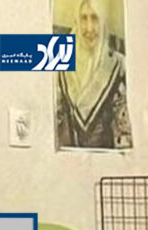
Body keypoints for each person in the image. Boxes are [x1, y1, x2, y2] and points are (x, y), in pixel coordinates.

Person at [56, 0, 132, 149]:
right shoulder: (60, 66)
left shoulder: (118, 66)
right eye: (84, 18)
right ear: (77, 22)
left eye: (95, 18)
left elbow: (124, 140)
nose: (89, 28)